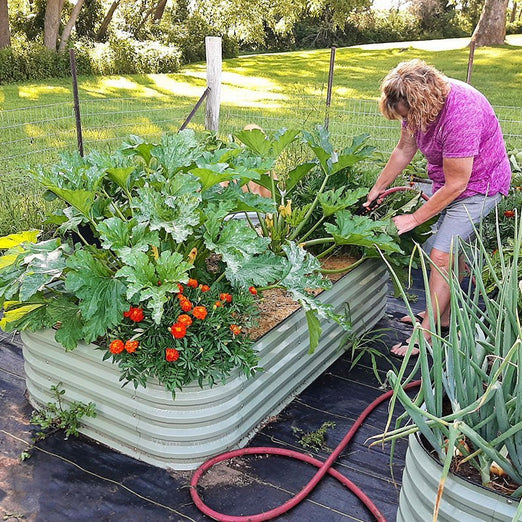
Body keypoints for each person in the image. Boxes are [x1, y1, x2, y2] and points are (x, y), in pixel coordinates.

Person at [364, 59, 511, 356]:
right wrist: (378, 187)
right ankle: (443, 317)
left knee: (441, 255)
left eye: (407, 115)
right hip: (446, 183)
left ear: (421, 101)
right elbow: (404, 149)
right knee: (444, 249)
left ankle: (427, 332)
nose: (408, 122)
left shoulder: (461, 113)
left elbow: (459, 184)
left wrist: (414, 218)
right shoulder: (417, 105)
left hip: (478, 187)